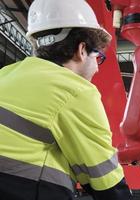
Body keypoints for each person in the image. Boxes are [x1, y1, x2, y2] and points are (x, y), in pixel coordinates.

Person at [0, 0, 132, 200]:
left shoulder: (6, 74)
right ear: (81, 50)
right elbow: (105, 179)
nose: (97, 68)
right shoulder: (75, 90)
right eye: (98, 57)